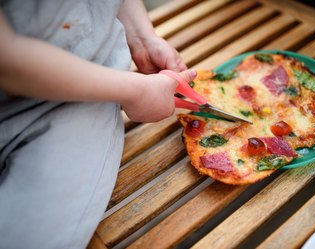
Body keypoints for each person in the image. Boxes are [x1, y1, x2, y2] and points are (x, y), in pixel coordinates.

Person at [0, 0, 196, 248]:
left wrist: (143, 38)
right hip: (72, 81)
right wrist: (136, 92)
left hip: (94, 86)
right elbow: (7, 60)